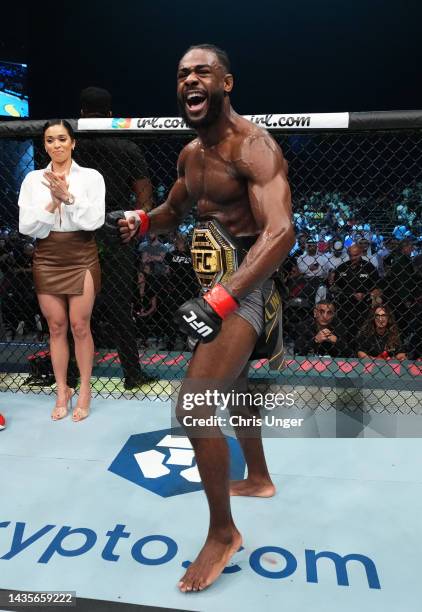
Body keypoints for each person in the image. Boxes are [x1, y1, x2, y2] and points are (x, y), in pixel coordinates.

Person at [116, 44, 294, 592]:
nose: (190, 81)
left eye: (202, 72)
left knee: (193, 405)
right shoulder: (191, 155)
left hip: (247, 288)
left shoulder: (254, 146)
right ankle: (259, 478)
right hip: (215, 288)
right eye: (182, 74)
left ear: (227, 83)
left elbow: (281, 231)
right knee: (235, 386)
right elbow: (175, 210)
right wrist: (144, 222)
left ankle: (222, 534)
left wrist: (223, 297)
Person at [18, 119, 105, 420]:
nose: (56, 145)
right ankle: (61, 390)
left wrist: (69, 197)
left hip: (81, 253)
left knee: (80, 326)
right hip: (47, 255)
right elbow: (26, 226)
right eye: (50, 140)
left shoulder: (92, 177)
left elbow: (94, 221)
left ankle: (84, 391)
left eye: (62, 139)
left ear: (73, 143)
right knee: (56, 327)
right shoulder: (32, 180)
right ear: (45, 145)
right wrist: (53, 204)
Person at [76, 86, 155, 389]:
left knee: (76, 303)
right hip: (115, 230)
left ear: (82, 113)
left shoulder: (69, 147)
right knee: (120, 305)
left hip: (78, 232)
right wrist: (134, 219)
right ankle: (132, 374)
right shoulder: (126, 147)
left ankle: (72, 372)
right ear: (111, 115)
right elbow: (145, 198)